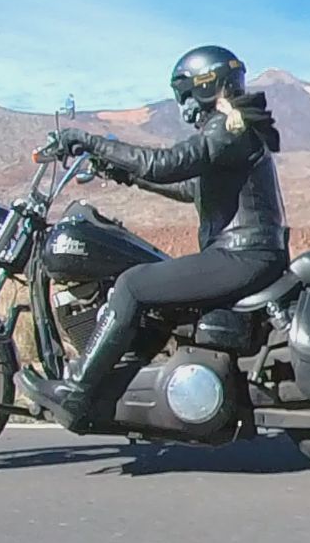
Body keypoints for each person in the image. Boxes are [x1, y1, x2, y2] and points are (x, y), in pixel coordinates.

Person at [18, 45, 289, 429]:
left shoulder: (229, 128)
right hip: (247, 253)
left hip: (243, 255)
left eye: (186, 95)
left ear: (207, 85)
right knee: (152, 292)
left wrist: (90, 141)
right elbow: (189, 187)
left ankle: (76, 393)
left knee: (131, 285)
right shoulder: (237, 129)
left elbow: (164, 165)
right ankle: (123, 386)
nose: (184, 107)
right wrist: (122, 174)